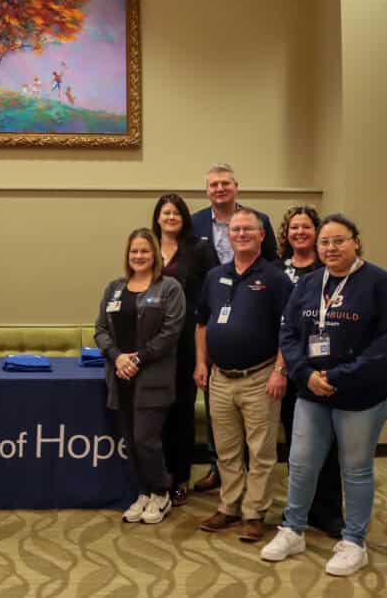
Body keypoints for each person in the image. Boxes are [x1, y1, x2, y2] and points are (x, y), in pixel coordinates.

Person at [261, 214, 387, 577]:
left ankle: (354, 541)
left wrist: (338, 376)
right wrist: (305, 374)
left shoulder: (378, 282)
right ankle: (293, 529)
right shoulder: (309, 284)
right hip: (312, 391)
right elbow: (289, 334)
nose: (331, 248)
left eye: (339, 241)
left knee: (355, 469)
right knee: (301, 462)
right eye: (325, 242)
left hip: (361, 395)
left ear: (356, 241)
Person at [195, 208, 291, 543]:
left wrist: (280, 370)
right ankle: (229, 506)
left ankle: (255, 513)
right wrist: (201, 363)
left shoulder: (276, 278)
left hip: (260, 378)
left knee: (261, 452)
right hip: (220, 378)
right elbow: (202, 323)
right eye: (235, 230)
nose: (241, 234)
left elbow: (289, 330)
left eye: (248, 229)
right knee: (227, 450)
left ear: (262, 234)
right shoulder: (215, 276)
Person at [94, 228, 185, 524]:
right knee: (130, 441)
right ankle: (144, 492)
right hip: (120, 377)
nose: (139, 256)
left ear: (155, 254)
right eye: (134, 251)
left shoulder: (169, 287)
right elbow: (101, 330)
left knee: (146, 439)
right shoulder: (114, 288)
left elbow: (171, 332)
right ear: (127, 255)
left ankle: (161, 492)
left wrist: (138, 358)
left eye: (145, 251)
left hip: (152, 378)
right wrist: (117, 356)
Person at [276, 205, 344, 538]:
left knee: (328, 446)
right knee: (297, 446)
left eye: (306, 227)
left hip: (324, 369)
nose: (299, 233)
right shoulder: (277, 270)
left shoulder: (330, 268)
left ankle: (328, 511)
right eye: (294, 228)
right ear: (285, 234)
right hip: (291, 367)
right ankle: (299, 507)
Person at [151, 194, 218, 506]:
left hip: (188, 341)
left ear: (184, 217)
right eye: (165, 212)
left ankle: (180, 476)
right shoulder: (147, 247)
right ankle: (159, 473)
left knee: (182, 411)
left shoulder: (199, 249)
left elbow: (213, 289)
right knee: (158, 410)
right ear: (157, 217)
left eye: (176, 212)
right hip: (153, 343)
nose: (171, 217)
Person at [190, 163, 278, 266]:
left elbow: (272, 261)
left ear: (236, 187)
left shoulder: (260, 220)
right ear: (207, 191)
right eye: (214, 185)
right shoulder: (194, 222)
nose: (220, 189)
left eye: (225, 183)